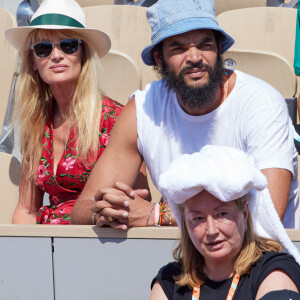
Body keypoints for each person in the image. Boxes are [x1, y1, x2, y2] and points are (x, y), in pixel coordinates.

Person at [71, 0, 299, 229]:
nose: (194, 57)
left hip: (262, 256)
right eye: (179, 48)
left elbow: (268, 215)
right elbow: (82, 208)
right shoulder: (143, 108)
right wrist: (108, 213)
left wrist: (157, 214)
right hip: (181, 255)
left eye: (205, 45)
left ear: (219, 49)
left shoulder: (261, 103)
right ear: (159, 58)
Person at [4, 0, 145, 224]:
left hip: (101, 238)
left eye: (68, 45)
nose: (56, 55)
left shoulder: (116, 119)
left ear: (83, 54)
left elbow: (136, 203)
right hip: (49, 243)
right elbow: (26, 210)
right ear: (33, 61)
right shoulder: (35, 122)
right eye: (43, 48)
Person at [150, 145, 300, 300]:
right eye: (198, 218)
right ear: (185, 224)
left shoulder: (274, 270)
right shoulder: (170, 280)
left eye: (222, 214)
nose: (212, 231)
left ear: (244, 213)